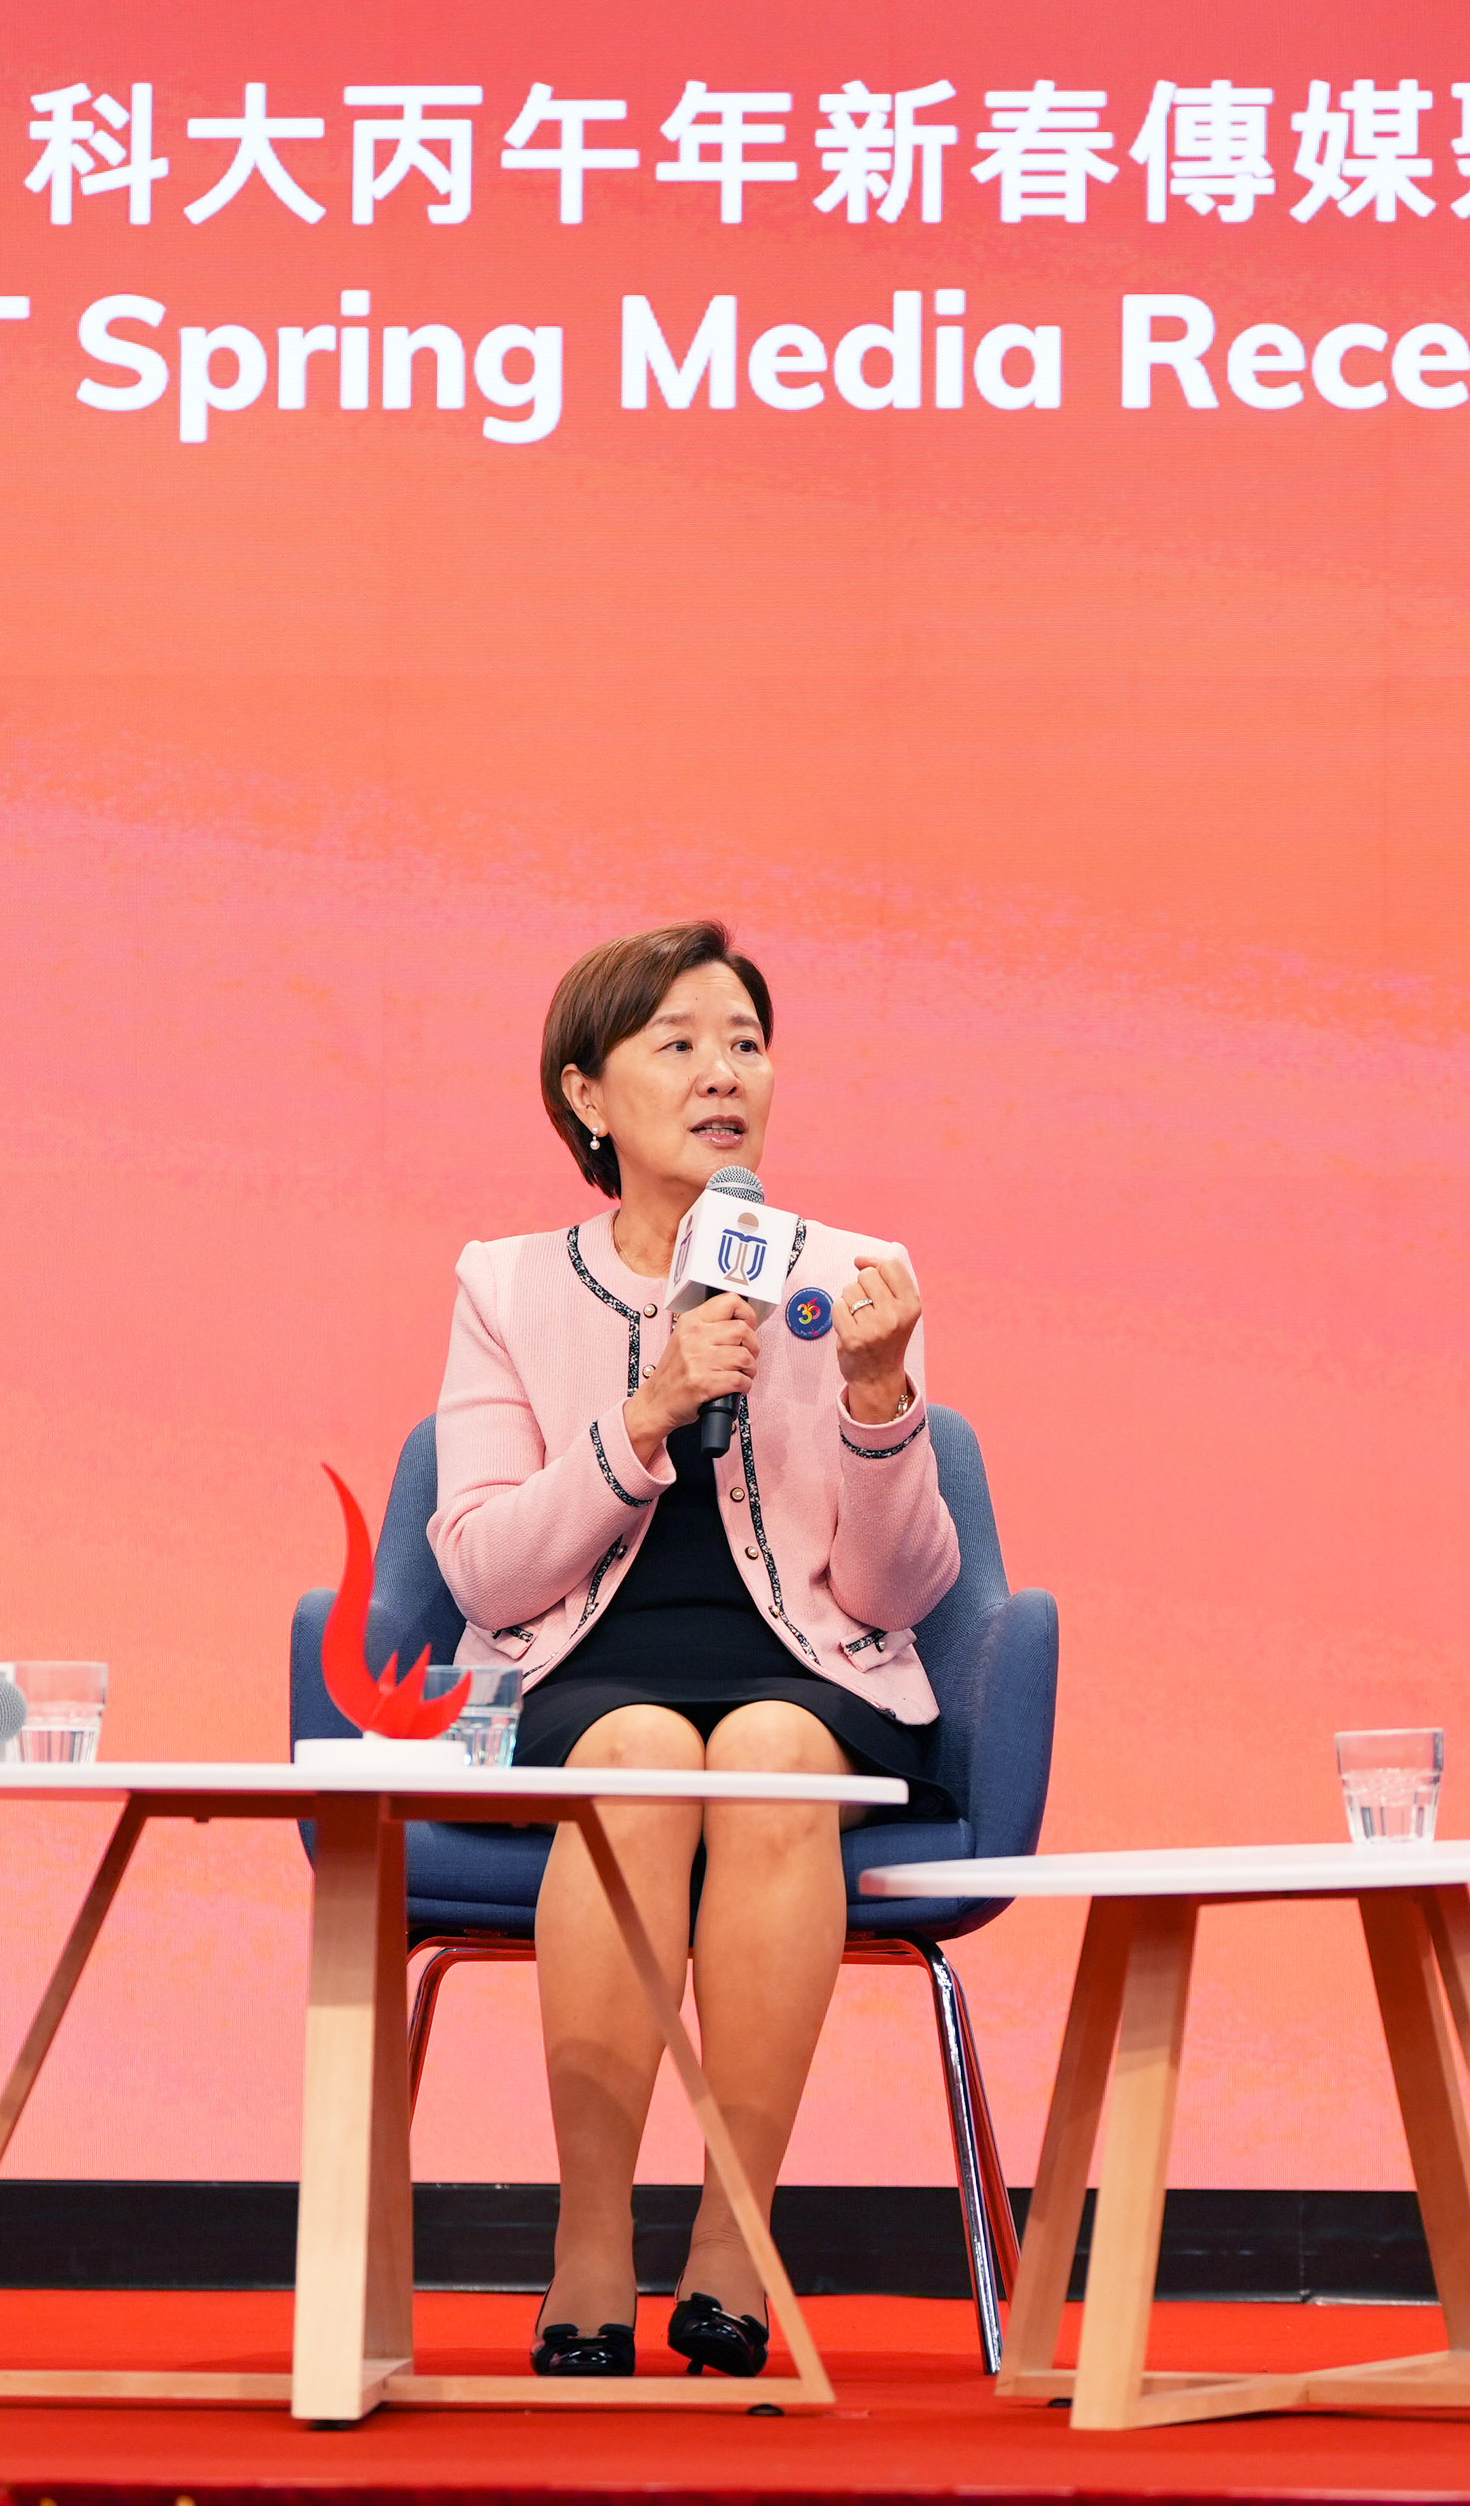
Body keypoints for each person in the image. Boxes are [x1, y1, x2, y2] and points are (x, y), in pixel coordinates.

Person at [427, 922, 959, 2379]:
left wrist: (876, 1402)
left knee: (770, 1749)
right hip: (570, 1675)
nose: (724, 1074)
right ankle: (590, 2245)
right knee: (643, 1749)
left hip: (814, 1672)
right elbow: (480, 1567)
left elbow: (898, 1594)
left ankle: (736, 2237)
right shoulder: (505, 1283)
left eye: (746, 1044)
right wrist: (648, 1413)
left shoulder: (856, 1278)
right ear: (586, 1094)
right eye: (678, 1045)